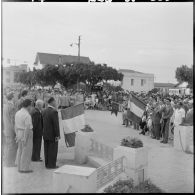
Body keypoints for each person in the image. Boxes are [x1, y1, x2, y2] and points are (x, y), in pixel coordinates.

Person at [15, 99, 33, 173]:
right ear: (28, 106)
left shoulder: (18, 113)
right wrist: (25, 138)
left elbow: (15, 125)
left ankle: (19, 167)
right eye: (31, 106)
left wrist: (17, 134)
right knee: (26, 151)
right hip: (26, 133)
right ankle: (25, 168)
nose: (31, 107)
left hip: (19, 131)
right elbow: (27, 127)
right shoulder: (27, 115)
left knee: (20, 150)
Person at [42, 97, 60, 169]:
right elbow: (56, 125)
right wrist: (57, 135)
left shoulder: (44, 110)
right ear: (52, 102)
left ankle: (47, 164)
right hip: (52, 134)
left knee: (46, 150)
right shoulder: (54, 111)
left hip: (45, 133)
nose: (56, 103)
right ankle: (52, 165)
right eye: (55, 102)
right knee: (53, 150)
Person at [3, 92, 17, 167]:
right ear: (12, 97)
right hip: (11, 130)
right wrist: (15, 131)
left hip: (6, 129)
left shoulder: (4, 106)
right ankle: (10, 162)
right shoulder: (11, 107)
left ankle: (7, 162)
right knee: (12, 146)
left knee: (8, 146)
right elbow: (13, 120)